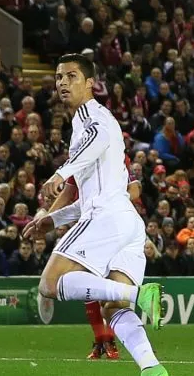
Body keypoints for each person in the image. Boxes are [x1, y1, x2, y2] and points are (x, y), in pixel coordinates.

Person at [23, 54, 168, 376]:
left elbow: (97, 139)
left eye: (71, 76)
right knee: (112, 307)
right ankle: (152, 370)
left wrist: (62, 172)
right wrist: (51, 219)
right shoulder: (85, 125)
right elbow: (89, 196)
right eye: (58, 77)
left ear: (90, 84)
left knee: (49, 283)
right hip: (127, 222)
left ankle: (140, 295)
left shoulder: (94, 117)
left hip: (106, 218)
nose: (62, 83)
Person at [45, 154, 140, 360]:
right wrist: (47, 219)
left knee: (111, 288)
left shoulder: (119, 158)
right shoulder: (79, 160)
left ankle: (110, 340)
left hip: (117, 226)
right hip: (89, 227)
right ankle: (101, 339)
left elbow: (135, 189)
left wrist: (113, 202)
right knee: (89, 285)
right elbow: (67, 194)